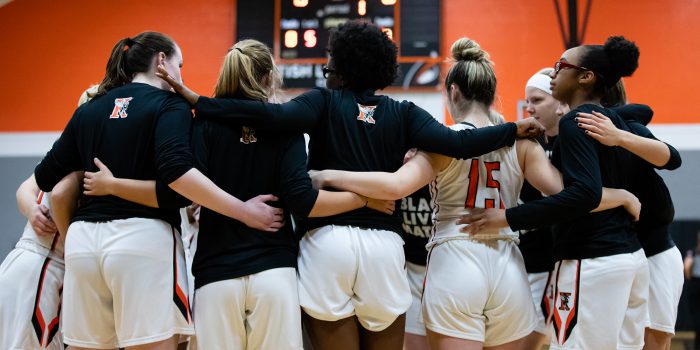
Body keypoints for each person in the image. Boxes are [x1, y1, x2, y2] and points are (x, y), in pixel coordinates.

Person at [157, 21, 545, 350]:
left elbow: (269, 117)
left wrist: (200, 102)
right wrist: (511, 128)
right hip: (383, 246)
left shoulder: (320, 102)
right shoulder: (406, 111)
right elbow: (459, 143)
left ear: (339, 66)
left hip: (327, 243)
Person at [308, 37, 639, 350]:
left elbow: (396, 186)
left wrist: (328, 176)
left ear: (453, 91)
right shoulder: (522, 141)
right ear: (491, 92)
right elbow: (575, 195)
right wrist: (622, 195)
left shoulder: (441, 140)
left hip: (455, 258)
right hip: (508, 263)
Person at [33, 32, 283, 350]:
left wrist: (103, 191)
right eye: (180, 64)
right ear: (162, 61)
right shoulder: (169, 105)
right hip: (141, 240)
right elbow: (177, 182)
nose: (181, 74)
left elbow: (46, 178)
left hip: (83, 246)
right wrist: (244, 211)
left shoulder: (90, 109)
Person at [460, 36, 649, 350]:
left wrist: (506, 217)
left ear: (583, 78)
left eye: (560, 67)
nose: (553, 73)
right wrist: (624, 195)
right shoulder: (612, 121)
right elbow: (654, 129)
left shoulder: (575, 123)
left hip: (590, 258)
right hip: (627, 255)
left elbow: (581, 195)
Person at [576, 82, 683, 350]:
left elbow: (672, 158)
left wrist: (620, 130)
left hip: (654, 250)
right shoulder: (573, 135)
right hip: (614, 255)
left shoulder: (627, 126)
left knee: (654, 341)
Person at [518, 68, 569, 350]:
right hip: (521, 257)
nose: (529, 108)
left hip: (553, 263)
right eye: (527, 101)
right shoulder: (526, 140)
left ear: (559, 102)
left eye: (537, 100)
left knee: (537, 337)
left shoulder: (574, 141)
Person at [400, 149, 433, 350]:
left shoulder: (443, 176)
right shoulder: (394, 175)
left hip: (444, 270)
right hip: (411, 273)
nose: (409, 156)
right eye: (406, 149)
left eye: (415, 150)